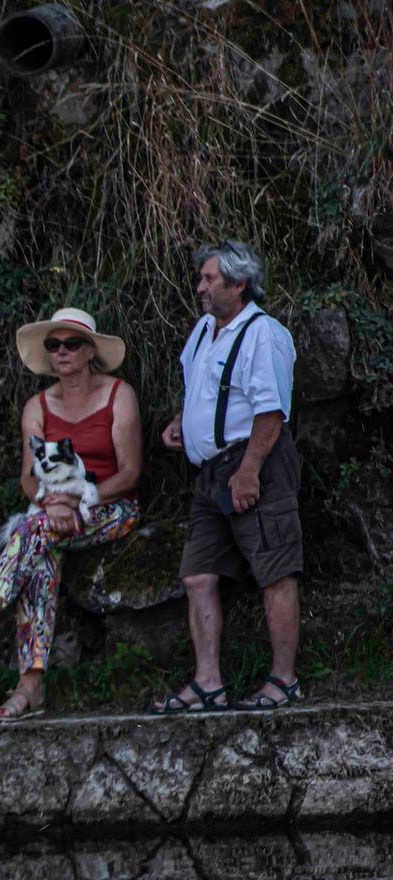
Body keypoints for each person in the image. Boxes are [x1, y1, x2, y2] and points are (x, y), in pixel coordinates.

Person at [0, 308, 144, 720]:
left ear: (90, 351)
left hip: (111, 507)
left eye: (72, 344)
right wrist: (52, 503)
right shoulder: (38, 406)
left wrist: (76, 500)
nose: (62, 351)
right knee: (40, 556)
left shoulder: (119, 395)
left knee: (33, 531)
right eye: (53, 345)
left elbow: (130, 472)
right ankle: (29, 687)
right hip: (52, 514)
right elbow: (29, 479)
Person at [154, 240, 303, 712]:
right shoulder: (204, 330)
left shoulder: (264, 334)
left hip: (254, 463)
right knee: (198, 575)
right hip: (209, 473)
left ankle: (284, 680)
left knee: (275, 571)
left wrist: (249, 471)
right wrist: (184, 422)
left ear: (239, 284)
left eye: (209, 279)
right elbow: (199, 387)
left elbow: (271, 411)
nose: (200, 287)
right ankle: (208, 684)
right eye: (201, 278)